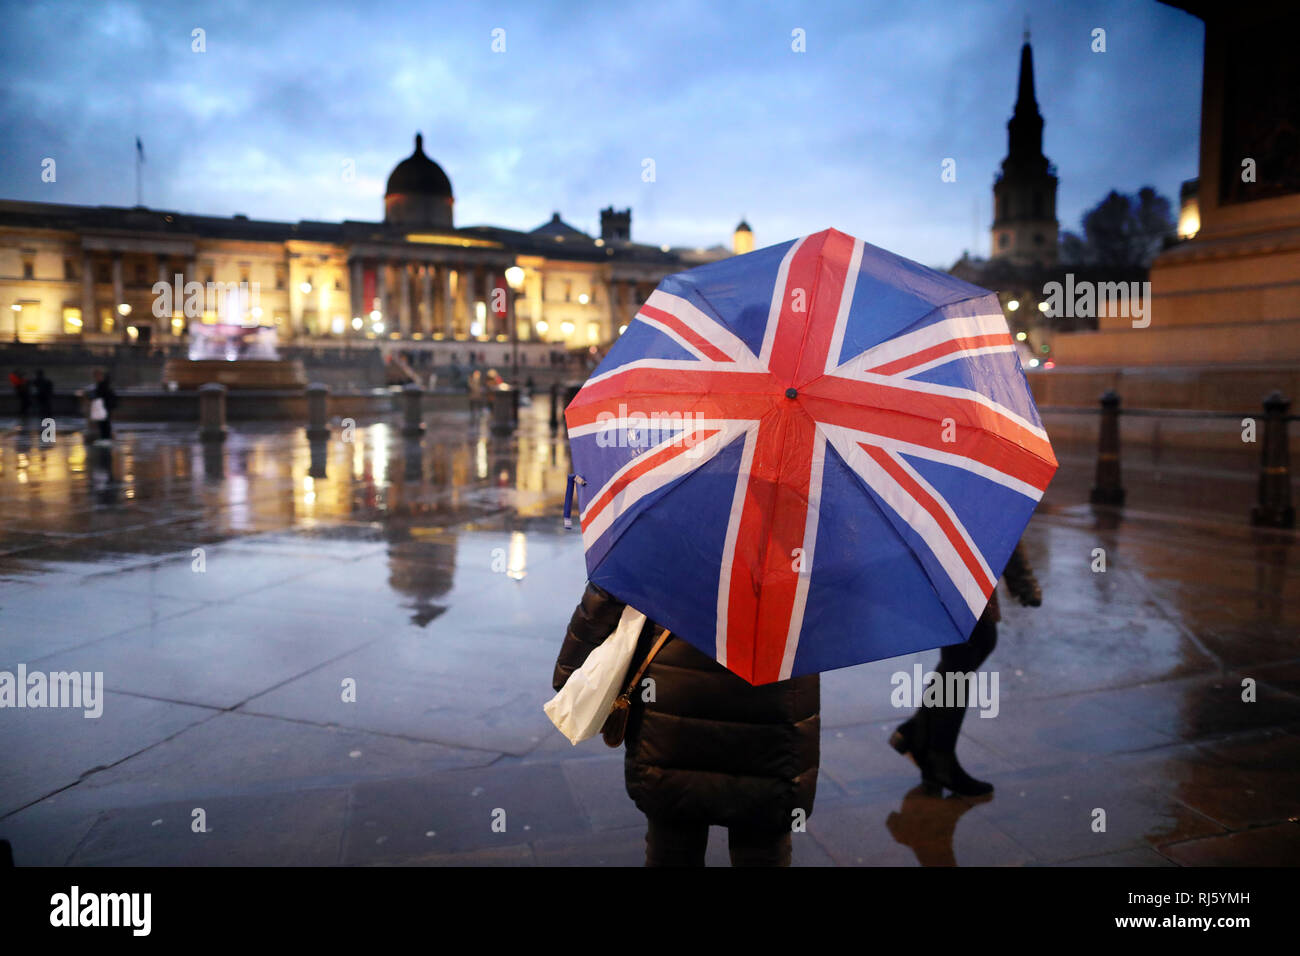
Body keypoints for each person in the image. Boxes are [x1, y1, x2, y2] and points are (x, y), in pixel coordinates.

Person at [553, 583, 819, 867]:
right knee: (763, 843)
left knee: (673, 839)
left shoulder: (661, 537)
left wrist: (570, 669)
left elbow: (613, 585)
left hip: (672, 708)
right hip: (775, 707)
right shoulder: (810, 543)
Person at [889, 539, 1041, 796]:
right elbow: (999, 518)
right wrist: (1022, 580)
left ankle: (919, 732)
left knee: (973, 647)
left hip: (955, 559)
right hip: (954, 562)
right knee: (964, 653)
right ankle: (939, 757)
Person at [89, 369, 117, 443]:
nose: (96, 378)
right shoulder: (103, 384)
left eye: (97, 376)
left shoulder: (103, 385)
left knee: (104, 423)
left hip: (105, 406)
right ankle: (105, 438)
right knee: (103, 423)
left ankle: (106, 438)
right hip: (105, 406)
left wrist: (92, 395)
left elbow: (100, 395)